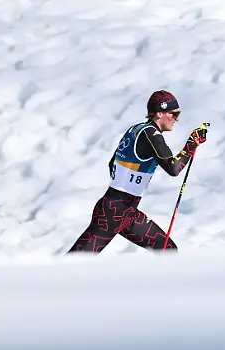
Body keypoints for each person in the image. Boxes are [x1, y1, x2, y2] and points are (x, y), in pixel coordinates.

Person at [67, 90, 208, 254]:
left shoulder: (136, 129)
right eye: (173, 114)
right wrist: (191, 144)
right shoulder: (152, 134)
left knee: (168, 251)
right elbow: (174, 168)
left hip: (126, 212)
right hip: (113, 214)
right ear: (159, 113)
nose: (176, 119)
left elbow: (112, 163)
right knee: (74, 262)